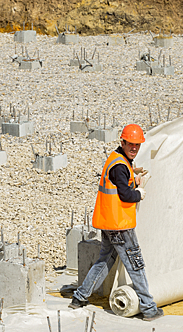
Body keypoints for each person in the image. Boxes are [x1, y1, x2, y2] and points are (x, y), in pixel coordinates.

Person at [69, 124, 163, 321]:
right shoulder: (120, 166)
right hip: (120, 225)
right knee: (135, 264)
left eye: (137, 145)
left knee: (105, 260)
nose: (134, 148)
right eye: (131, 144)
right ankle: (149, 308)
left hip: (109, 223)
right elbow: (126, 195)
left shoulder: (117, 159)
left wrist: (133, 179)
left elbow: (120, 182)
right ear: (123, 142)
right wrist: (138, 193)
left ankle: (79, 297)